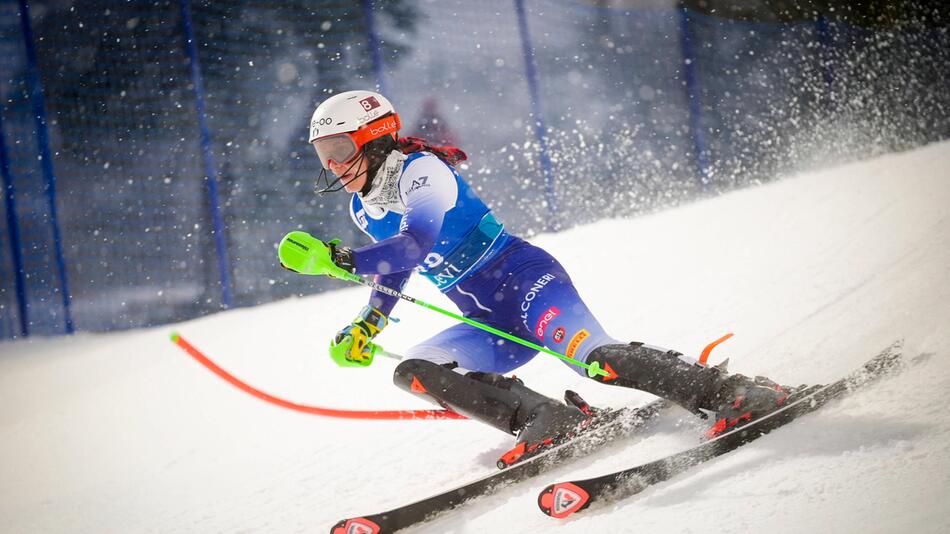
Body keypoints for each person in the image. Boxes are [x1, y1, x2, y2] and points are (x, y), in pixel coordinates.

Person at [280, 90, 794, 465]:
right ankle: (546, 419)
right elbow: (397, 266)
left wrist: (340, 260)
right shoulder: (362, 206)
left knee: (598, 362)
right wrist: (369, 323)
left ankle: (731, 392)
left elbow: (414, 243)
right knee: (415, 371)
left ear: (373, 139)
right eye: (323, 155)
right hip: (484, 319)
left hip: (527, 284)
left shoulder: (421, 172)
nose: (333, 165)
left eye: (340, 150)